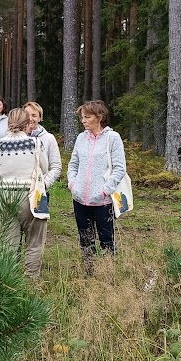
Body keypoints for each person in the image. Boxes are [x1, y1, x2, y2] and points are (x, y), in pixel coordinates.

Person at [0, 103, 62, 279]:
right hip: (31, 195)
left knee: (8, 243)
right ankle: (31, 281)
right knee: (35, 242)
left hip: (4, 197)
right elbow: (43, 169)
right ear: (27, 124)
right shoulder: (35, 143)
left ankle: (8, 281)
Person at [66, 100, 126, 273]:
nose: (83, 121)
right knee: (85, 238)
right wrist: (72, 184)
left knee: (106, 238)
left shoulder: (112, 138)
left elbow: (120, 168)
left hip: (103, 201)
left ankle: (108, 273)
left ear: (99, 117)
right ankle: (88, 272)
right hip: (80, 199)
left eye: (87, 117)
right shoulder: (80, 138)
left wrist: (105, 190)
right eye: (82, 117)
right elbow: (73, 164)